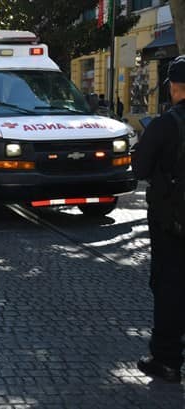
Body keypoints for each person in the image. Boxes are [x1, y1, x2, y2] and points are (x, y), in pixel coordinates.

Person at [131, 55, 185, 383]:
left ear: (172, 87)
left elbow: (139, 168)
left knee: (168, 287)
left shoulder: (166, 125)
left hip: (171, 223)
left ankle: (166, 360)